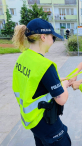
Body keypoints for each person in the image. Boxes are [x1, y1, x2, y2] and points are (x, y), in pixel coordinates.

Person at [12, 18, 71, 146]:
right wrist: (64, 85)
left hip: (33, 122)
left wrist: (56, 81)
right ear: (43, 37)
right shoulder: (46, 66)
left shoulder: (23, 57)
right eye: (53, 37)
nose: (53, 41)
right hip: (46, 122)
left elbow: (32, 82)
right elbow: (61, 99)